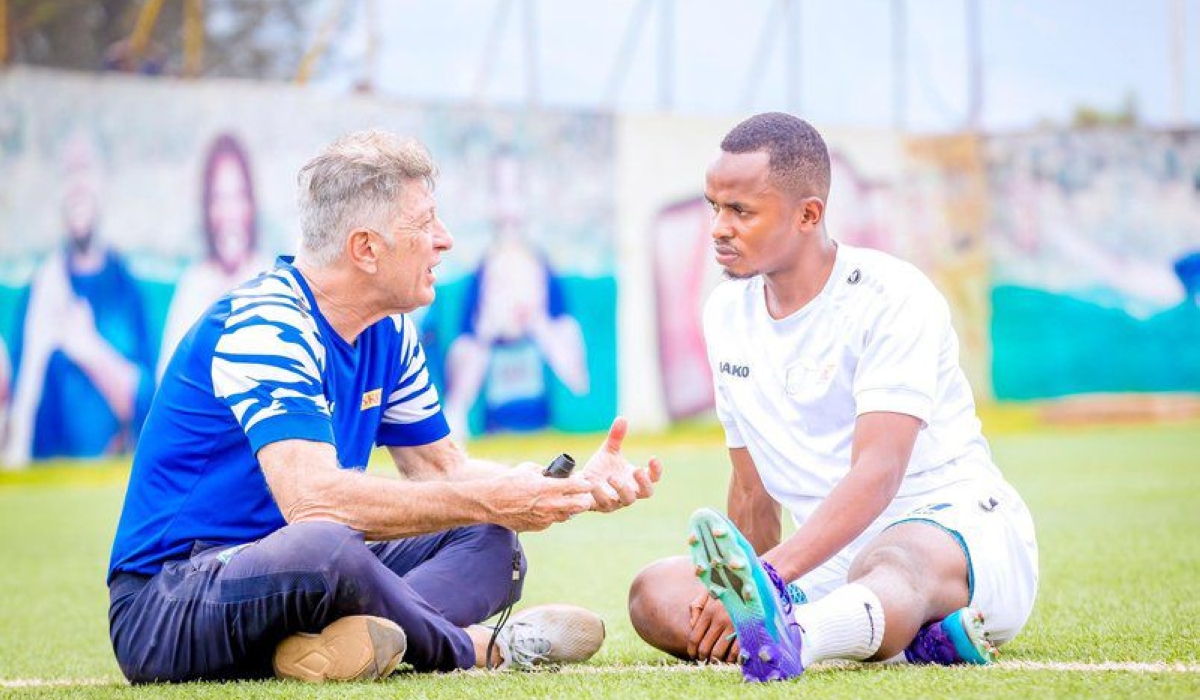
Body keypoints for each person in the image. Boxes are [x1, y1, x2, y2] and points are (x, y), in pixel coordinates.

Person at [108, 130, 662, 684]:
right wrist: (485, 497)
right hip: (170, 599)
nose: (444, 240)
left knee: (491, 537)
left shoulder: (388, 330)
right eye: (424, 223)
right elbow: (313, 498)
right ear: (366, 248)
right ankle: (480, 648)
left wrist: (563, 489)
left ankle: (331, 648)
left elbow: (444, 472)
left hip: (304, 571)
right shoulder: (266, 324)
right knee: (327, 543)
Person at [627, 113, 1037, 682]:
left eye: (740, 211)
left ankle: (807, 637)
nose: (718, 227)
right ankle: (905, 640)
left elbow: (879, 471)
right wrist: (735, 590)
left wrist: (766, 579)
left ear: (808, 214)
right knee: (656, 593)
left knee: (891, 561)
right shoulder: (726, 314)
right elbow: (750, 492)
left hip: (953, 537)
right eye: (713, 207)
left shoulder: (892, 296)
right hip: (827, 560)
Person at [3, 131, 155, 466]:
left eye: (84, 168)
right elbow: (14, 405)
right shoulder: (39, 291)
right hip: (43, 488)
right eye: (67, 172)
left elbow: (151, 405)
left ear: (103, 183)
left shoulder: (128, 290)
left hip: (113, 485)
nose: (77, 184)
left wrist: (87, 348)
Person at [443, 146, 589, 438]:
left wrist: (537, 324)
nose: (509, 206)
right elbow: (457, 396)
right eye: (500, 191)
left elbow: (578, 380)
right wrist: (487, 331)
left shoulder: (545, 274)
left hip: (542, 424)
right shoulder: (478, 279)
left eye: (516, 191)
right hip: (494, 426)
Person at [158, 133, 269, 378]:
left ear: (251, 204)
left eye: (238, 196)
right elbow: (165, 379)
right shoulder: (194, 283)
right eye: (219, 198)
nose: (230, 212)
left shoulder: (271, 277)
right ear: (207, 208)